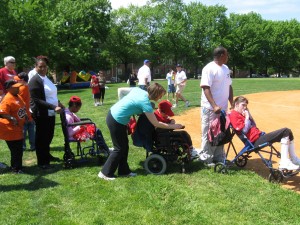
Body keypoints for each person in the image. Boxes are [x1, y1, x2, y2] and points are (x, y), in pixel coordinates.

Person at [98, 83, 183, 181]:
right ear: (156, 94)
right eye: (160, 95)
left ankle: (124, 171)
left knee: (124, 147)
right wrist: (174, 126)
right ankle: (105, 173)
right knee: (119, 148)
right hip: (116, 120)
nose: (160, 98)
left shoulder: (139, 90)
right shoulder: (145, 103)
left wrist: (122, 105)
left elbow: (120, 90)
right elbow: (156, 123)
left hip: (115, 116)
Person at [229, 96, 300, 170]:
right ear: (236, 104)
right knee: (285, 131)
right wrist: (246, 118)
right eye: (243, 105)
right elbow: (243, 131)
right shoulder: (234, 115)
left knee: (289, 133)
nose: (245, 107)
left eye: (246, 106)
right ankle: (284, 162)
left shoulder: (240, 114)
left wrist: (249, 115)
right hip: (254, 141)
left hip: (259, 136)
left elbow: (254, 125)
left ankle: (293, 159)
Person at [199, 46, 233, 165]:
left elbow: (229, 86)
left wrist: (231, 103)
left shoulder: (226, 68)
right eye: (226, 54)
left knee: (221, 133)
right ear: (221, 55)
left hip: (222, 109)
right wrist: (214, 105)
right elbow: (205, 87)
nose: (228, 57)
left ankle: (219, 157)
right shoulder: (209, 68)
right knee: (208, 132)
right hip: (210, 109)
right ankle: (206, 158)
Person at [29, 56, 63, 169]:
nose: (42, 68)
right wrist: (53, 107)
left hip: (51, 113)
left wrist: (59, 103)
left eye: (44, 66)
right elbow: (36, 100)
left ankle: (46, 157)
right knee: (42, 138)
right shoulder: (35, 80)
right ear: (36, 67)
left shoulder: (46, 78)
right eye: (40, 67)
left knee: (49, 136)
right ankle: (42, 163)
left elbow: (51, 95)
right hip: (41, 113)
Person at [0, 80, 28, 173]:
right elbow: (2, 112)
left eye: (18, 86)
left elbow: (21, 107)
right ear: (8, 89)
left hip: (18, 128)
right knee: (16, 150)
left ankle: (18, 166)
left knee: (19, 149)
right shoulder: (7, 99)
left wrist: (26, 116)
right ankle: (16, 169)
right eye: (15, 87)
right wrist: (12, 118)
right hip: (10, 129)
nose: (18, 88)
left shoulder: (18, 96)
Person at [14, 72, 35, 151]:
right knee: (31, 130)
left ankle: (23, 147)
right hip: (29, 112)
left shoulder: (21, 88)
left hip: (23, 113)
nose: (16, 82)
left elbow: (19, 101)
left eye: (18, 80)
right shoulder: (28, 86)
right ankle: (33, 146)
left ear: (22, 80)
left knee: (23, 131)